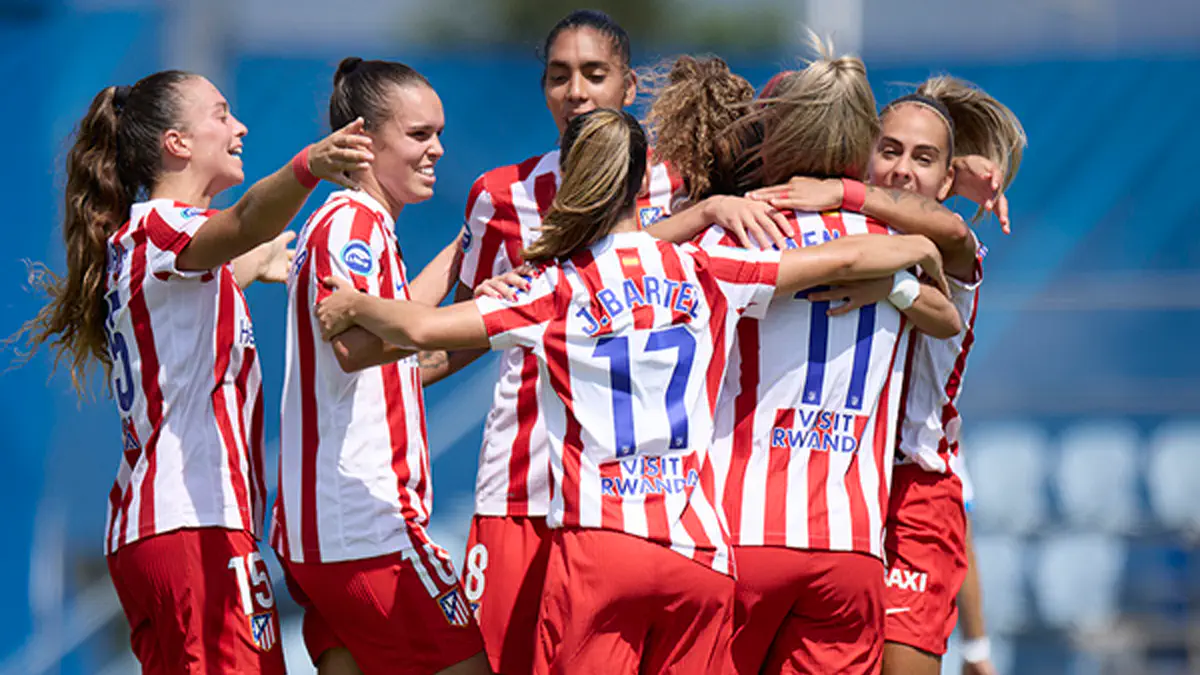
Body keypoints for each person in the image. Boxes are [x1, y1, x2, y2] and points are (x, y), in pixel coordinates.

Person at [312, 107, 950, 675]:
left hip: (602, 547)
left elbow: (423, 328)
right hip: (696, 552)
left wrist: (354, 303)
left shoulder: (554, 288)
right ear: (646, 183)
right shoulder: (704, 266)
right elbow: (840, 260)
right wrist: (918, 243)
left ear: (571, 184)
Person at [13, 69, 372, 673]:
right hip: (195, 525)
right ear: (176, 143)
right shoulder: (162, 227)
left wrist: (264, 262)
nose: (240, 126)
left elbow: (218, 274)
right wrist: (309, 165)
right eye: (221, 114)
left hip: (151, 532)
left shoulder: (144, 245)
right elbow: (245, 221)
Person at [642, 45, 965, 674]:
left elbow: (620, 262)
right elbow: (948, 303)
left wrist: (702, 209)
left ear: (774, 136)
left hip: (738, 538)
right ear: (860, 146)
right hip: (852, 549)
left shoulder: (735, 234)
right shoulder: (900, 248)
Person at [750, 74, 1025, 675]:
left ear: (948, 180)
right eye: (890, 150)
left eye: (924, 159)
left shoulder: (953, 248)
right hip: (832, 482)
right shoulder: (834, 237)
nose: (902, 169)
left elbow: (949, 231)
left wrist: (843, 198)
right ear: (865, 152)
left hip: (913, 489)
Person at [446, 12, 683, 675]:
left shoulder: (681, 185)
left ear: (629, 85)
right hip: (524, 483)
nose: (576, 91)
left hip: (642, 492)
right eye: (559, 75)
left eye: (594, 73)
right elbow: (463, 331)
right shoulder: (501, 195)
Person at [272, 57, 490, 675]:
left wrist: (468, 246)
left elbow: (393, 330)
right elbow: (356, 347)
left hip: (328, 531)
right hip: (370, 527)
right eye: (420, 135)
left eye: (439, 134)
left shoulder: (356, 224)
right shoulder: (352, 223)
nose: (438, 150)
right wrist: (497, 322)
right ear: (364, 141)